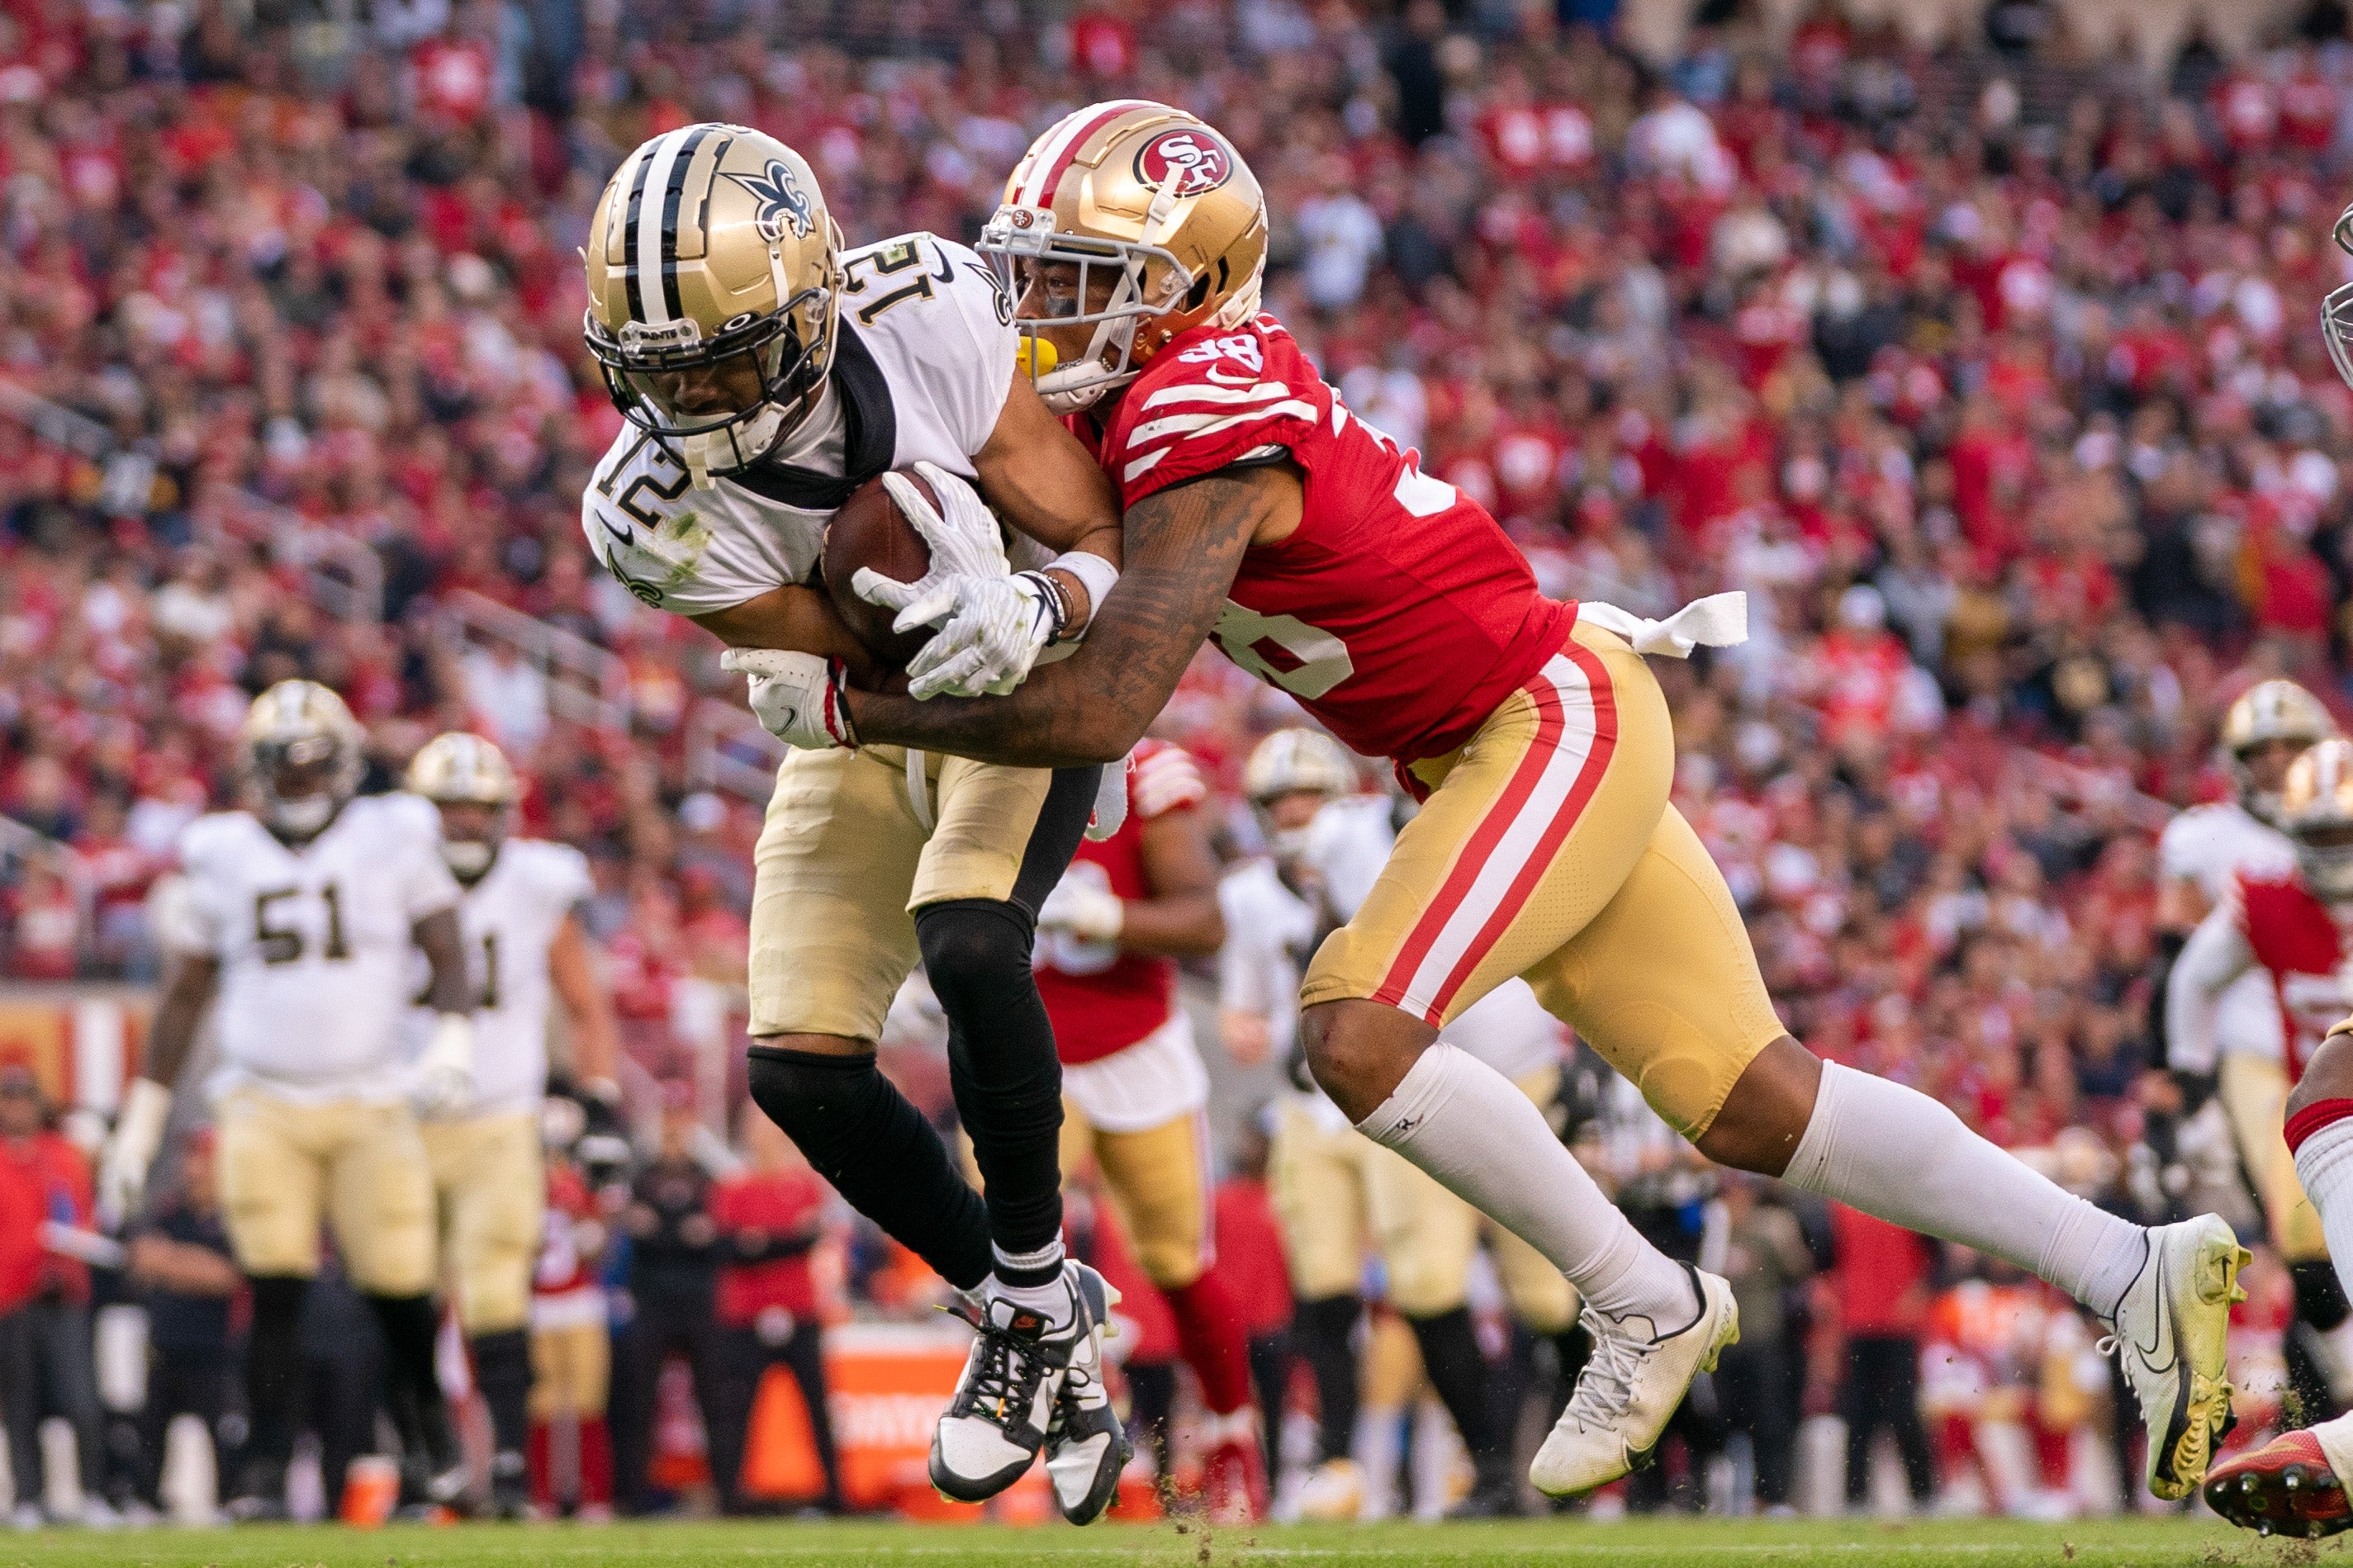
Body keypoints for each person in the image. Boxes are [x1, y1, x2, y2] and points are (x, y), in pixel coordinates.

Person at [817, 102, 2243, 1503]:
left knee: (1357, 1027)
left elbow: (1106, 700)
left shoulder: (1200, 404)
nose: (1040, 318)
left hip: (1536, 716)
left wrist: (859, 699)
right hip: (1505, 730)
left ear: (1184, 291)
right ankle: (2127, 1263)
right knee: (1750, 1099)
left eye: (1077, 287)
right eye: (1030, 278)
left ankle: (1641, 1297)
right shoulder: (1150, 403)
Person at [574, 123, 1128, 1518]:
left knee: (971, 942)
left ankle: (1015, 1317)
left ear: (815, 296)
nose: (696, 401)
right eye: (665, 374)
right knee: (796, 1065)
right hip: (875, 714)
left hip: (1021, 679)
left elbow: (1092, 530)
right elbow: (859, 654)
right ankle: (1029, 1307)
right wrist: (828, 686)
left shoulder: (925, 306)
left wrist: (1036, 602)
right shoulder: (639, 513)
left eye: (722, 356)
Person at [94, 680, 478, 1520]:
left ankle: (433, 1450)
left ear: (342, 765)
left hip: (373, 1094)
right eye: (285, 764)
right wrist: (144, 1120)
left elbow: (447, 946)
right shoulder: (219, 849)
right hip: (261, 1101)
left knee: (400, 1282)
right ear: (255, 768)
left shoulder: (393, 833)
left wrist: (454, 1038)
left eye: (313, 764)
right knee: (271, 1285)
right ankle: (266, 1471)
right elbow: (184, 994)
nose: (301, 780)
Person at [1030, 736, 1258, 1517]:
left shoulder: (1142, 769)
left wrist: (1104, 914)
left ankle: (1232, 1435)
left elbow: (1203, 920)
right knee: (1009, 1257)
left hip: (1134, 1047)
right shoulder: (970, 755)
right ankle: (1064, 1423)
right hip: (1020, 1049)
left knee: (1177, 1261)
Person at [401, 731, 624, 1518]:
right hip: (405, 1116)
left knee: (497, 1293)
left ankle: (501, 1467)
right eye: (449, 808)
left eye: (476, 808)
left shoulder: (536, 881)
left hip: (500, 1111)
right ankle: (419, 1465)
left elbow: (586, 1002)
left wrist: (597, 1103)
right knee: (402, 1297)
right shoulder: (383, 872)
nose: (463, 823)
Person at [2156, 682, 2341, 1417]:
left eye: (2290, 748)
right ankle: (2328, 1409)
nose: (2275, 764)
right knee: (2306, 1243)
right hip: (2274, 1063)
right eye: (2259, 751)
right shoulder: (2229, 864)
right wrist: (2183, 1078)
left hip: (2322, 1050)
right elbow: (2182, 972)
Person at [2192, 739, 2353, 1532]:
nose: (2330, 853)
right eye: (2316, 834)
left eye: (2341, 834)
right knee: (2313, 1273)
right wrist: (2182, 1085)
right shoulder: (2267, 898)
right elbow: (2189, 978)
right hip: (2321, 1113)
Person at [706, 1108, 842, 1514]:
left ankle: (835, 1495)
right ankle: (730, 1498)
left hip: (798, 1311)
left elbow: (808, 1238)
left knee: (817, 1408)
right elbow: (729, 1250)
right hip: (745, 1316)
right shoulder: (732, 1189)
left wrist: (761, 1245)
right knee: (737, 1412)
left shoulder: (802, 1187)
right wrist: (786, 1243)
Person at [611, 1093, 728, 1517]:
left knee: (717, 1403)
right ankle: (632, 1496)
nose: (674, 1133)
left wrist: (664, 1231)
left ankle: (727, 1494)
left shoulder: (707, 1176)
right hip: (653, 1303)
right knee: (637, 1403)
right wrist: (682, 1234)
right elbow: (636, 1228)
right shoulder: (640, 1176)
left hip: (699, 1304)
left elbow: (716, 1233)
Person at [0, 1068, 107, 1525]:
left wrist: (64, 1263)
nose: (17, 1108)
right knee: (20, 1403)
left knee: (81, 1398)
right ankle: (28, 1498)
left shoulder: (63, 1155)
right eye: (9, 1099)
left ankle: (94, 1495)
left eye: (24, 1099)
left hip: (62, 1295)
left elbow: (82, 1220)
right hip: (10, 1297)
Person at [126, 1131, 241, 1522]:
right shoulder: (169, 1212)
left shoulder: (233, 1217)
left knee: (223, 1431)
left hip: (216, 1346)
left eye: (203, 1159)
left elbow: (225, 1277)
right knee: (151, 1430)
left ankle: (231, 1500)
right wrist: (190, 1266)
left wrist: (170, 1261)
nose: (193, 1169)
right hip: (166, 1342)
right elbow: (141, 1259)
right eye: (189, 1159)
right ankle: (146, 1501)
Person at [529, 1102, 614, 1520]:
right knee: (542, 1405)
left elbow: (598, 1249)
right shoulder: (519, 1187)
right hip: (539, 1304)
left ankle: (594, 1497)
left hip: (579, 1300)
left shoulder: (584, 1184)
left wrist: (589, 1216)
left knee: (588, 1402)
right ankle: (543, 1498)